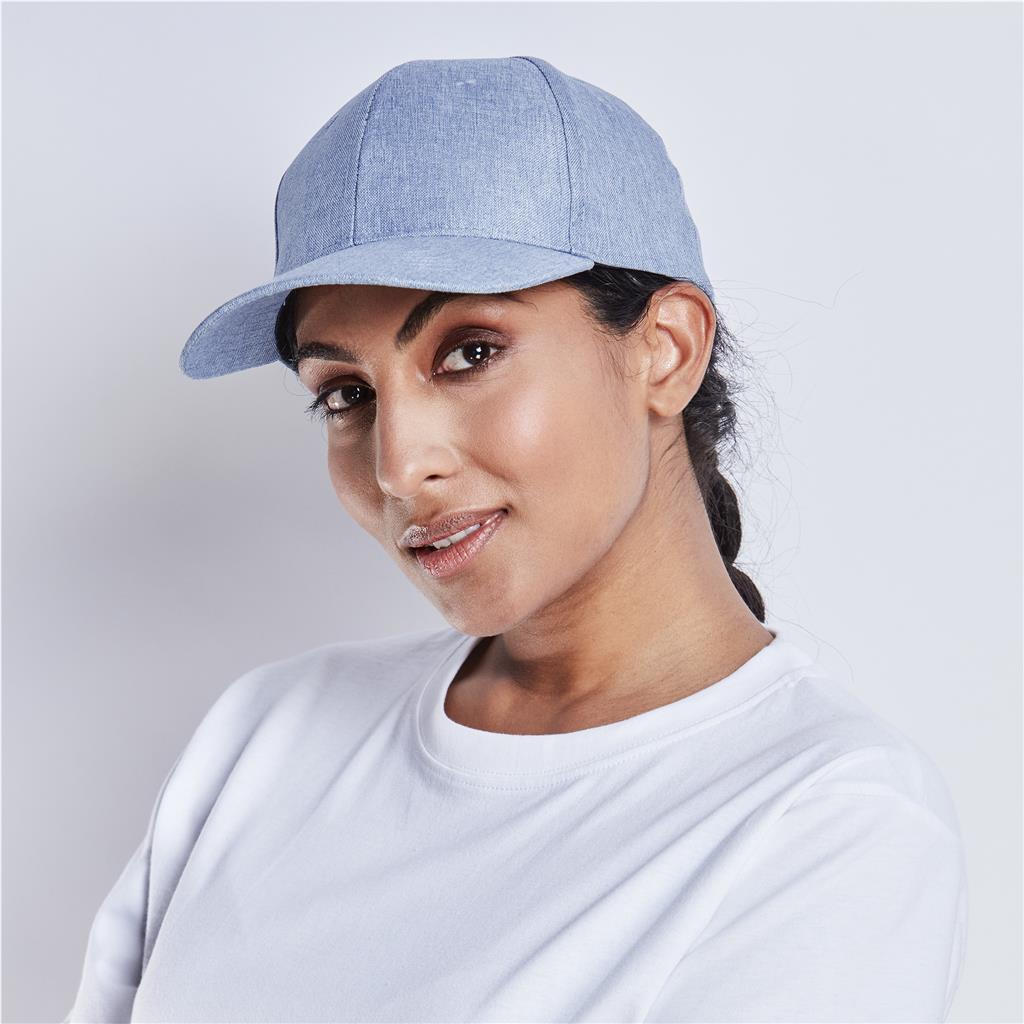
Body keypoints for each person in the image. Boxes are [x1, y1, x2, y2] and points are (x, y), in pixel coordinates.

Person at [65, 56, 968, 1023]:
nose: (399, 465)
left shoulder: (825, 819)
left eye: (469, 352)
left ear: (665, 350)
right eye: (346, 394)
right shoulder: (269, 737)